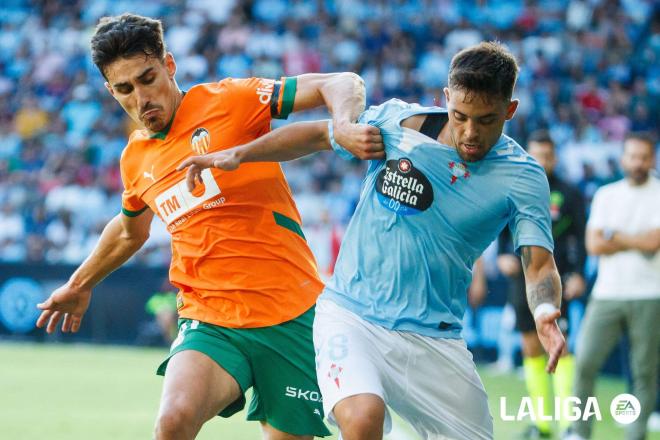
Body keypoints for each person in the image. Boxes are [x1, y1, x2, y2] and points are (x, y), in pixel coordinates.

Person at [179, 41, 566, 440]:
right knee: (363, 418)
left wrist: (545, 312)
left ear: (510, 110)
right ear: (447, 98)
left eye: (486, 120)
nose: (470, 132)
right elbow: (315, 135)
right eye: (460, 115)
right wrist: (239, 155)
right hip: (352, 316)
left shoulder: (524, 177)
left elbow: (538, 263)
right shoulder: (398, 126)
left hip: (435, 337)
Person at [35, 13, 383, 440]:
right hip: (210, 317)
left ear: (170, 66)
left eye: (148, 78)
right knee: (173, 421)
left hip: (291, 314)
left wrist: (343, 127)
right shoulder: (136, 159)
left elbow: (343, 82)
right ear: (111, 92)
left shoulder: (231, 100)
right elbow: (130, 231)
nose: (141, 98)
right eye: (124, 89)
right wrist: (80, 283)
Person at [566, 133, 660, 440]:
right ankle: (579, 432)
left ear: (652, 159)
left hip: (649, 294)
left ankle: (636, 434)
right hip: (606, 294)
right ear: (623, 158)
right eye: (633, 156)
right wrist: (635, 239)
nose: (638, 163)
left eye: (644, 157)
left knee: (644, 373)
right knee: (585, 363)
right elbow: (593, 244)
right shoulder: (607, 195)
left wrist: (615, 236)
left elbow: (653, 242)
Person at [495, 130, 587, 439]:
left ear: (555, 157)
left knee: (562, 345)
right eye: (536, 154)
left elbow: (580, 237)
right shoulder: (516, 186)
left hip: (557, 281)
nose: (542, 160)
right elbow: (503, 228)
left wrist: (578, 274)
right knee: (530, 346)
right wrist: (503, 255)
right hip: (522, 279)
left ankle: (569, 424)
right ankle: (543, 422)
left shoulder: (570, 192)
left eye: (547, 155)